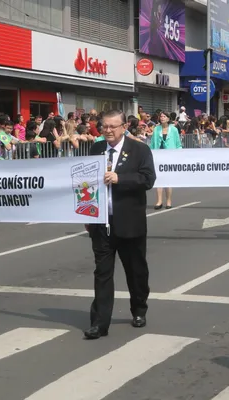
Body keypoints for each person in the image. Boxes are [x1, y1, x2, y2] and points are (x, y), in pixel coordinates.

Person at [84, 110, 156, 340]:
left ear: (124, 127)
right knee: (102, 273)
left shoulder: (139, 150)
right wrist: (87, 215)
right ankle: (99, 322)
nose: (108, 131)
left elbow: (148, 179)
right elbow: (85, 182)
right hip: (102, 224)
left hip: (130, 223)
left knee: (136, 271)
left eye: (113, 127)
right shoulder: (96, 149)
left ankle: (139, 309)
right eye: (104, 126)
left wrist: (120, 178)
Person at [149, 111, 182, 209]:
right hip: (158, 156)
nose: (162, 118)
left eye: (164, 116)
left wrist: (179, 155)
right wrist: (151, 154)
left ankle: (168, 201)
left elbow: (178, 144)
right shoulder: (156, 129)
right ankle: (159, 201)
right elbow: (152, 143)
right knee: (159, 179)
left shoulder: (174, 129)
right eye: (161, 116)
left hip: (170, 156)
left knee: (168, 180)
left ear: (168, 118)